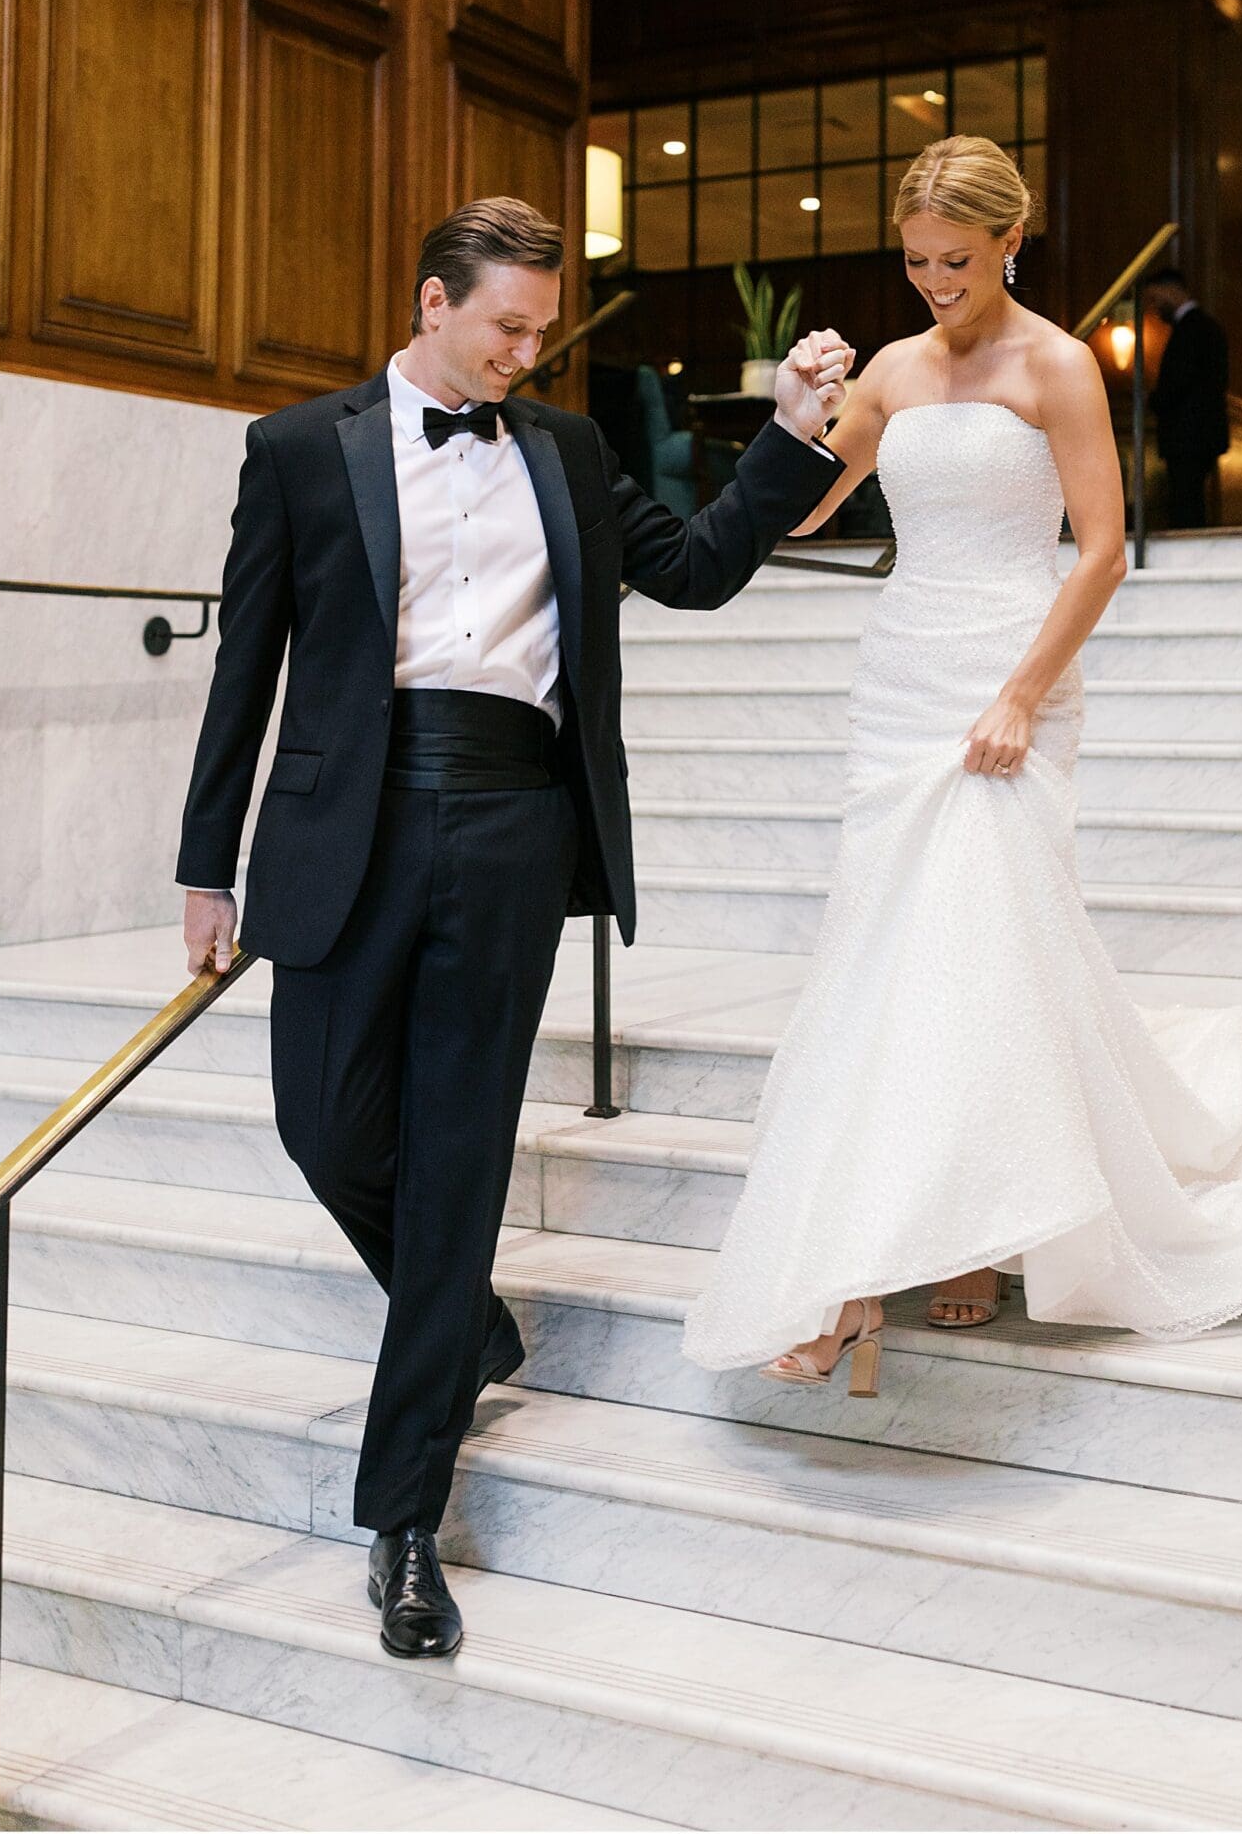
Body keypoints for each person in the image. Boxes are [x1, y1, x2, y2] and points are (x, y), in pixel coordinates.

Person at [681, 136, 1242, 1386]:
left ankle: (954, 1240)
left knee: (981, 944)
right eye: (914, 261)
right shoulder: (894, 368)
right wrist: (795, 419)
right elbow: (799, 512)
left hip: (1010, 673)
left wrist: (1020, 692)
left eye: (957, 259)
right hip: (903, 676)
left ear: (1013, 242)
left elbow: (1104, 549)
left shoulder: (1059, 364)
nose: (934, 282)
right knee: (887, 951)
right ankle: (886, 1243)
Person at [178, 197, 852, 1659]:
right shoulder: (302, 450)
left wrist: (795, 434)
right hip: (344, 824)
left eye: (543, 331)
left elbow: (696, 569)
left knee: (463, 1157)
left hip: (509, 825)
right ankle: (465, 1319)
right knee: (324, 1125)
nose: (527, 355)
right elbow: (248, 663)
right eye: (508, 328)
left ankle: (405, 1522)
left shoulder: (567, 449)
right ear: (434, 302)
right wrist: (203, 861)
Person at [1142, 269, 1229, 531]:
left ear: (1172, 290)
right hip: (1198, 433)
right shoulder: (1204, 326)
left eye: (1157, 299)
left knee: (1186, 502)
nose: (1155, 308)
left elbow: (1180, 381)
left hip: (1189, 433)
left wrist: (1154, 400)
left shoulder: (1192, 329)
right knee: (1189, 499)